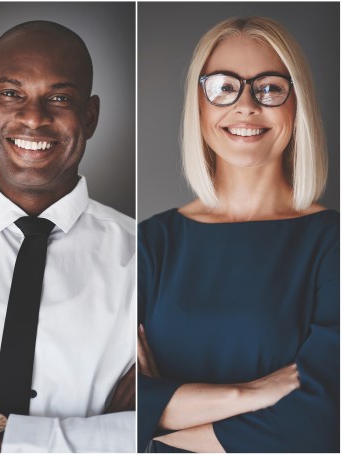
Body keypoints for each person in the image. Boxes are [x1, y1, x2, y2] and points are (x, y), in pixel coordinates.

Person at [137, 16, 338, 453]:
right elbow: (113, 405)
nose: (246, 106)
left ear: (296, 103)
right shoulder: (149, 244)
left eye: (269, 87)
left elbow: (322, 421)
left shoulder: (332, 242)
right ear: (200, 105)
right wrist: (247, 394)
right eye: (224, 87)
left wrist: (162, 422)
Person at [0, 21, 136, 453]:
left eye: (59, 98)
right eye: (11, 94)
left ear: (91, 116)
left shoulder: (150, 259)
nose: (33, 118)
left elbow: (146, 431)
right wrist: (92, 435)